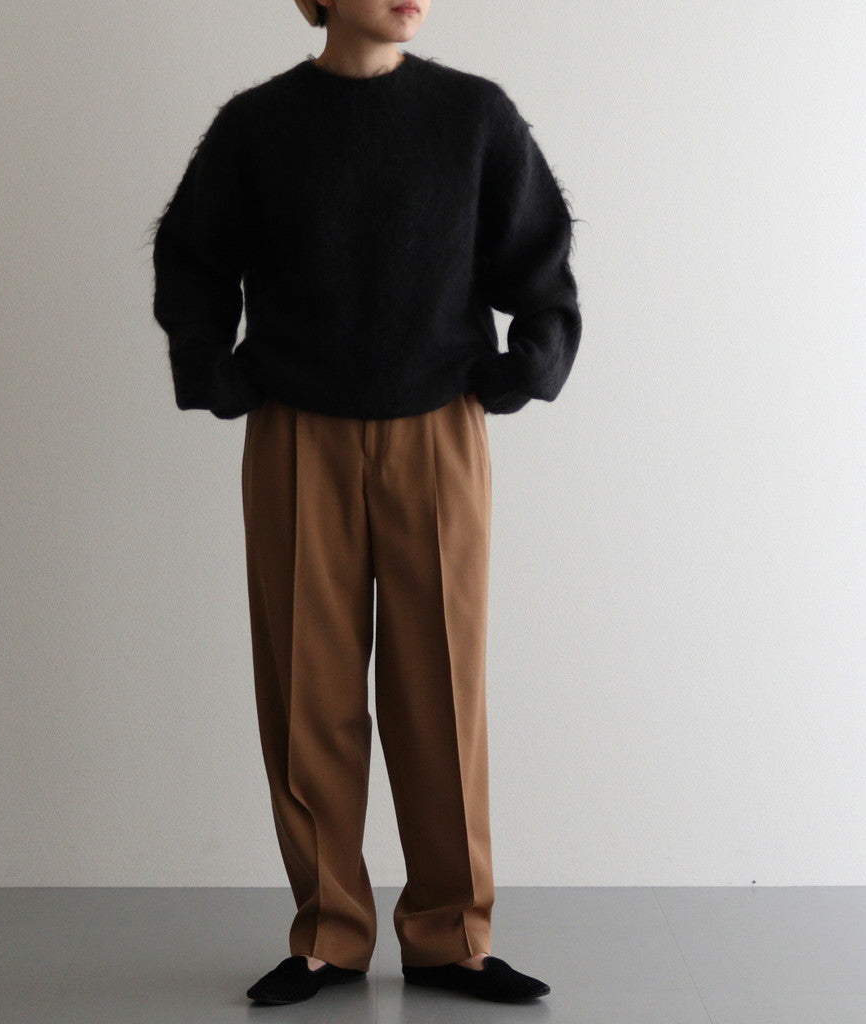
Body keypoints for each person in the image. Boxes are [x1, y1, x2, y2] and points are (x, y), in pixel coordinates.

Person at [150, 0, 582, 1006]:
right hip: (297, 431)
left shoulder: (473, 117)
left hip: (438, 430)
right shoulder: (258, 126)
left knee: (442, 689)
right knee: (308, 691)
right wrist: (211, 367)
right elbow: (193, 255)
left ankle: (453, 936)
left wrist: (532, 360)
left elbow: (540, 258)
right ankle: (327, 933)